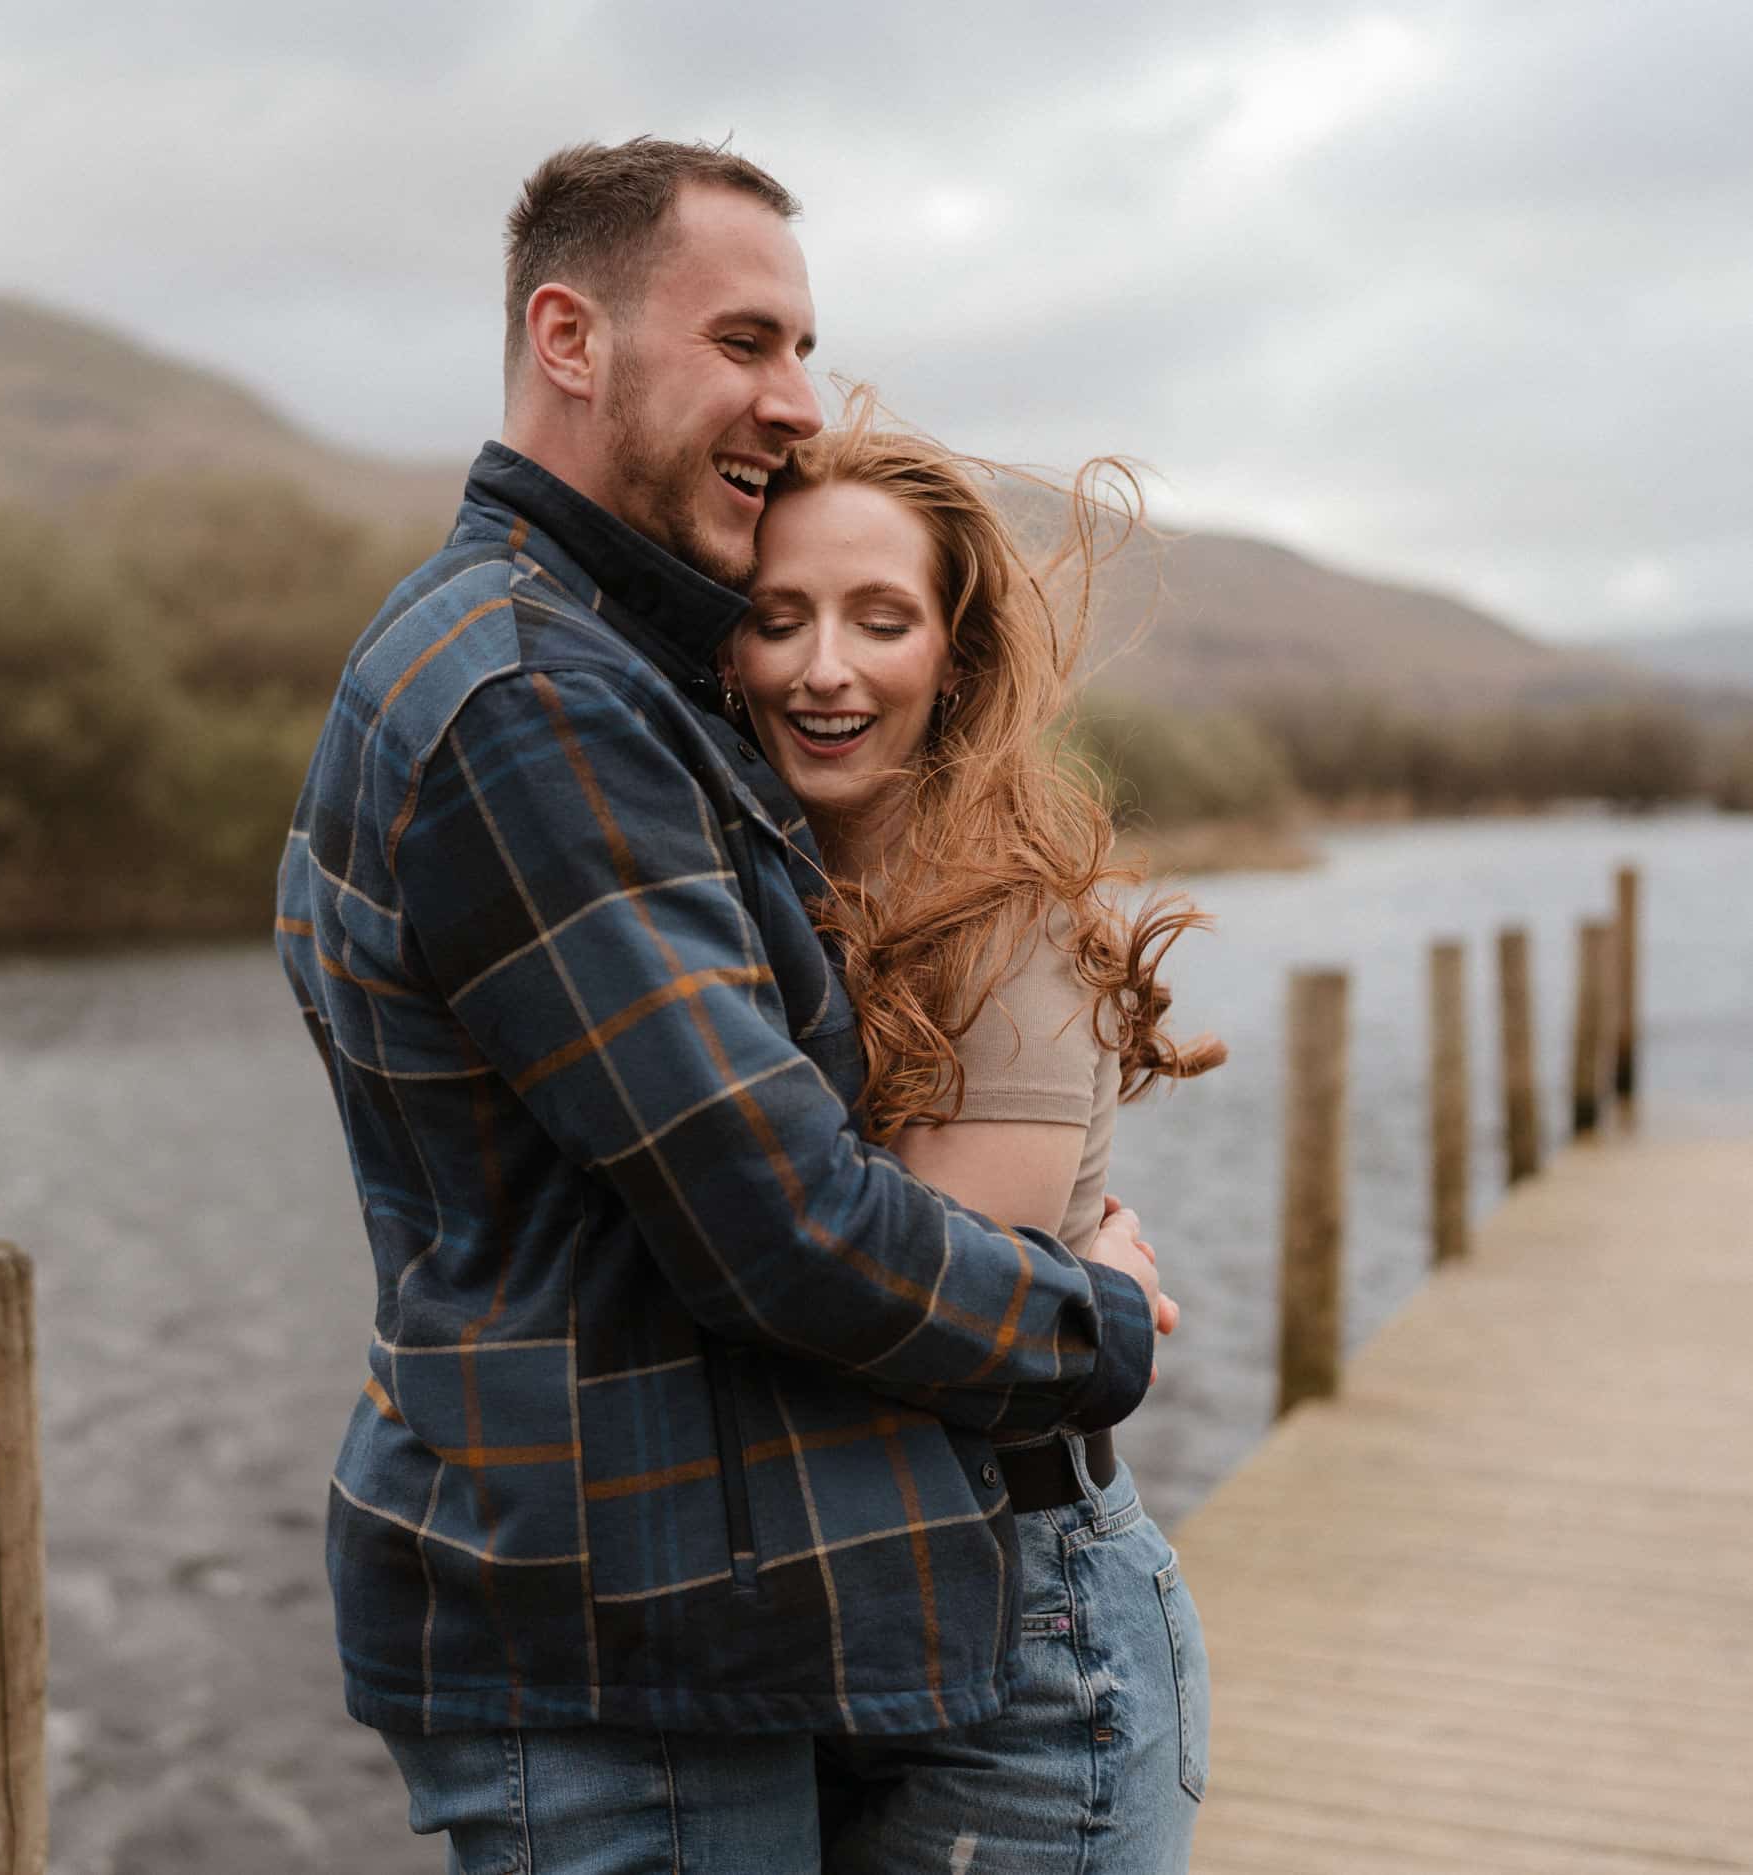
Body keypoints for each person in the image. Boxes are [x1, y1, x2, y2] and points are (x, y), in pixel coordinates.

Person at [275, 135, 1178, 1871]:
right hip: (614, 1653)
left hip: (667, 1635)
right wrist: (1094, 1324)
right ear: (570, 337)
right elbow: (775, 1216)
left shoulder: (612, 671)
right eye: (749, 341)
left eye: (803, 346)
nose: (796, 394)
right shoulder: (536, 700)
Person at [719, 393, 1226, 1871]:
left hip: (1031, 1645)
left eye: (881, 620)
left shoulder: (1005, 927)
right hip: (830, 1630)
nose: (824, 668)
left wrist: (1093, 1288)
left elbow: (938, 1326)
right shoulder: (740, 900)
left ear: (954, 658)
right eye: (779, 616)